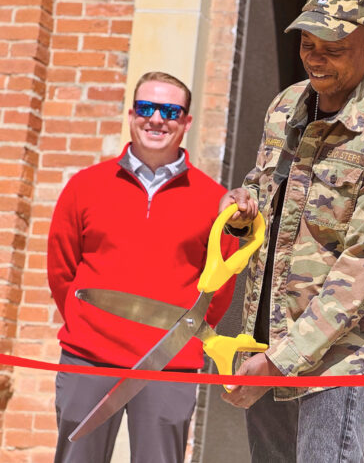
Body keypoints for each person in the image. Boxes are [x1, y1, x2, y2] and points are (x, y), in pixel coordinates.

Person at [218, 0, 364, 463]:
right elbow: (265, 188)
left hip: (335, 356)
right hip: (265, 336)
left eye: (332, 48)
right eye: (307, 44)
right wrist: (242, 209)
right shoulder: (286, 105)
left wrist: (281, 362)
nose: (315, 58)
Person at [48, 71, 239, 463]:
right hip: (89, 358)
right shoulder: (85, 185)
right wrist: (87, 324)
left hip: (169, 363)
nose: (156, 119)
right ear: (132, 114)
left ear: (186, 121)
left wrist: (184, 335)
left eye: (170, 111)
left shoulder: (213, 198)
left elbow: (220, 287)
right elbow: (61, 269)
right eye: (147, 108)